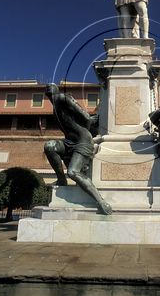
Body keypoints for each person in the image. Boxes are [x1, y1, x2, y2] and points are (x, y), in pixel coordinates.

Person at [44, 83, 112, 215]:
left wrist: (88, 126)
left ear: (56, 89)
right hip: (69, 141)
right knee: (49, 146)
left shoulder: (63, 98)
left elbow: (86, 117)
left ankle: (101, 201)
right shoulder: (55, 108)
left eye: (51, 85)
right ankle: (61, 180)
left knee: (73, 172)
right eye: (47, 86)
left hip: (83, 141)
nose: (48, 86)